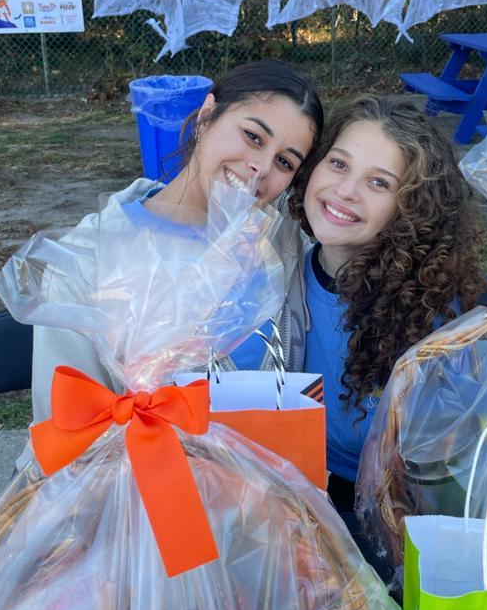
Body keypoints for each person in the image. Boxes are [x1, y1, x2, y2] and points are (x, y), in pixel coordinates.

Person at [29, 59, 323, 423]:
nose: (261, 167)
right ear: (207, 116)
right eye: (252, 136)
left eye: (284, 162)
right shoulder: (87, 260)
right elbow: (64, 427)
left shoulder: (282, 242)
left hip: (274, 456)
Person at [286, 93, 487, 512]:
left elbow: (442, 462)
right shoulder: (275, 271)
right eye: (338, 163)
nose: (345, 191)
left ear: (411, 210)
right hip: (289, 487)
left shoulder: (429, 314)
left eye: (378, 182)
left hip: (389, 507)